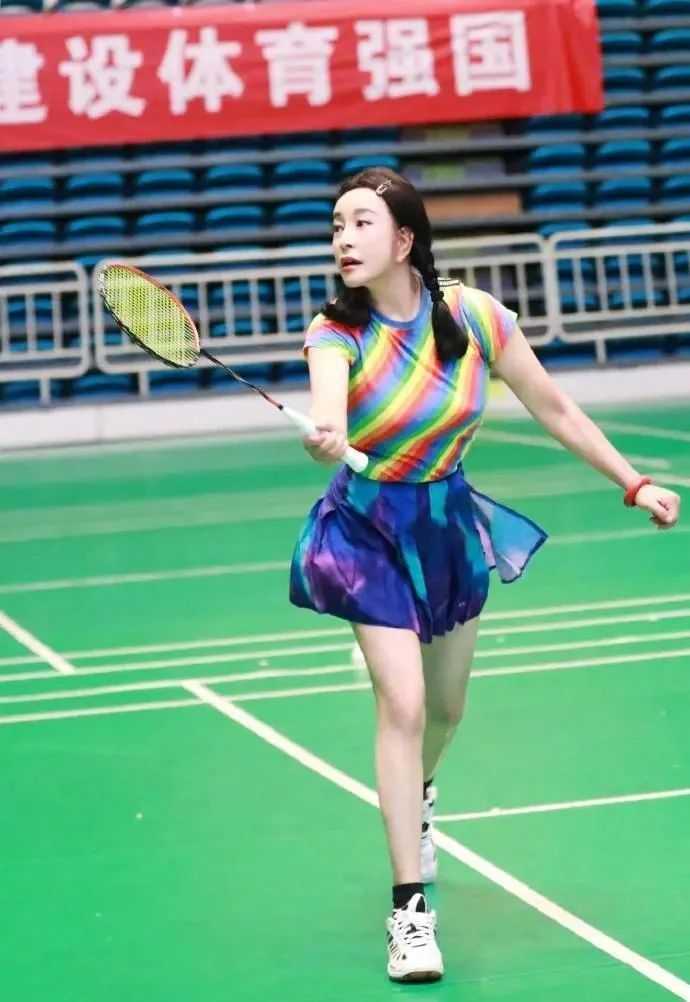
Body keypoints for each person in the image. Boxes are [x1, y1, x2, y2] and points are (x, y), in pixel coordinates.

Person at [289, 167, 680, 983]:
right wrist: (325, 435)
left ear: (405, 240)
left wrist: (632, 481)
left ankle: (421, 791)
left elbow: (554, 407)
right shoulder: (335, 333)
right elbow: (328, 414)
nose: (343, 240)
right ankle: (409, 915)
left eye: (360, 224)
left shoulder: (472, 317)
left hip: (446, 523)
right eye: (336, 227)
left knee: (446, 709)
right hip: (367, 529)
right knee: (403, 703)